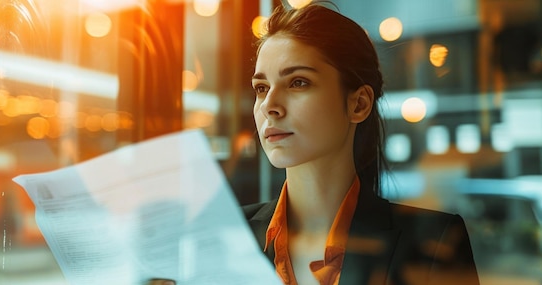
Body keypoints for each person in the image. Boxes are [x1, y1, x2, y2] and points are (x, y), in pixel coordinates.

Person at [151, 1, 479, 284]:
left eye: (298, 82)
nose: (270, 106)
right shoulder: (218, 239)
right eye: (262, 88)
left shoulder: (432, 243)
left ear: (359, 104)